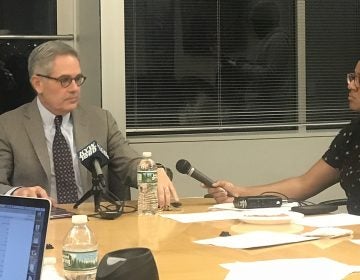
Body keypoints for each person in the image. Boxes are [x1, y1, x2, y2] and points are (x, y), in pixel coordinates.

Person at [0, 40, 179, 208]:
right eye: (64, 80)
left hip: (93, 222)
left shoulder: (100, 120)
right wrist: (17, 192)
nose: (74, 88)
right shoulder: (8, 126)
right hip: (43, 223)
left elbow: (128, 163)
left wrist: (153, 172)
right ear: (38, 84)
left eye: (78, 79)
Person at [208, 60, 360, 215]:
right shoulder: (353, 133)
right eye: (352, 77)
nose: (351, 85)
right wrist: (239, 192)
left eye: (358, 79)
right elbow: (304, 184)